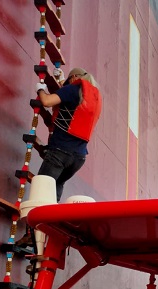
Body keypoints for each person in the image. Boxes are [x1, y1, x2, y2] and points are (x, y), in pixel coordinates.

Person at [17, 67, 102, 246]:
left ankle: (33, 236)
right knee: (56, 188)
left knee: (41, 190)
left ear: (75, 78)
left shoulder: (73, 89)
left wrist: (40, 89)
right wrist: (61, 81)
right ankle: (47, 233)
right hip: (78, 158)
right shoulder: (90, 97)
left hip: (60, 153)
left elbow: (47, 101)